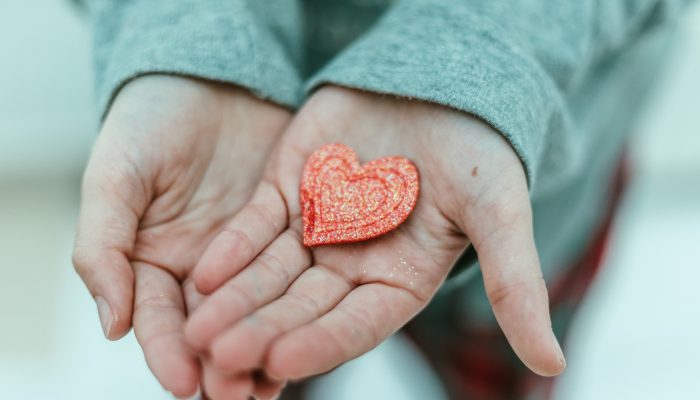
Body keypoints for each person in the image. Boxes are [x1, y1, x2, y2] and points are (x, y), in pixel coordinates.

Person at [71, 1, 693, 399]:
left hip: (535, 177)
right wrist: (188, 47)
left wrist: (475, 66)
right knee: (262, 360)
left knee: (499, 374)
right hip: (235, 203)